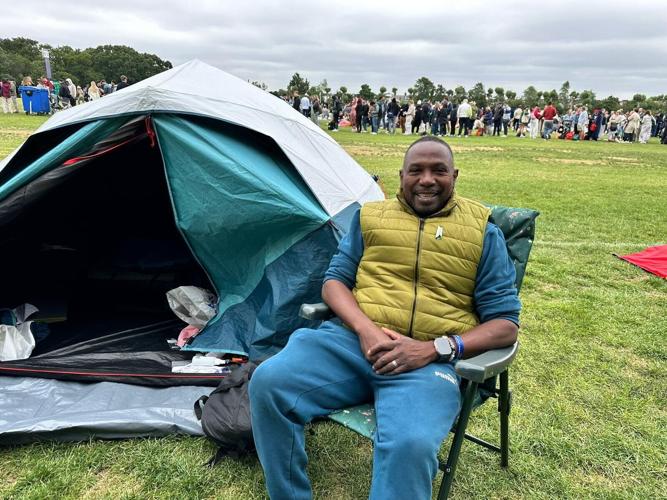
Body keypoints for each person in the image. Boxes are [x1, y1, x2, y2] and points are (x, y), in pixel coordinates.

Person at [249, 136, 521, 500]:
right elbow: (334, 283)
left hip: (427, 365)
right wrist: (365, 329)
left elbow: (505, 324)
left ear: (454, 175)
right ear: (401, 176)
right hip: (349, 344)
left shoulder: (482, 231)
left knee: (410, 443)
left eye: (438, 170)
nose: (427, 179)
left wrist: (434, 349)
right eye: (416, 170)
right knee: (268, 382)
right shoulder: (370, 217)